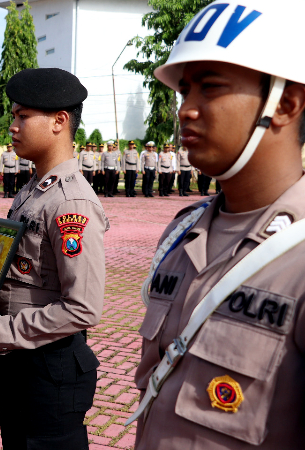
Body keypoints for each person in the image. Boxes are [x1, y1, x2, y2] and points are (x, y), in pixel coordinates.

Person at [130, 2, 305, 448]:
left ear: (285, 103)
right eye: (185, 91)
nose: (185, 110)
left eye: (210, 88)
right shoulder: (182, 232)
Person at [0, 67, 106, 449]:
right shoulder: (34, 189)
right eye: (13, 116)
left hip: (50, 367)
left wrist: (1, 331)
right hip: (20, 358)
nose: (12, 126)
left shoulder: (69, 201)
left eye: (22, 116)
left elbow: (83, 308)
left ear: (59, 122)